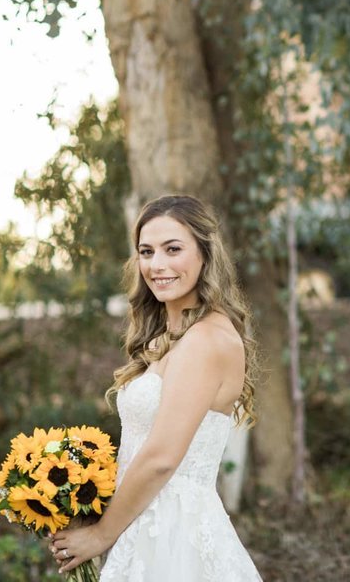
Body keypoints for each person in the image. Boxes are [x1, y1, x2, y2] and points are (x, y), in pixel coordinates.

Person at [50, 194, 264, 581]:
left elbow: (163, 456)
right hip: (140, 519)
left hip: (173, 538)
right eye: (146, 252)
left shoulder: (205, 340)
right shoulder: (172, 338)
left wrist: (100, 535)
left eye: (173, 249)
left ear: (205, 254)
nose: (157, 264)